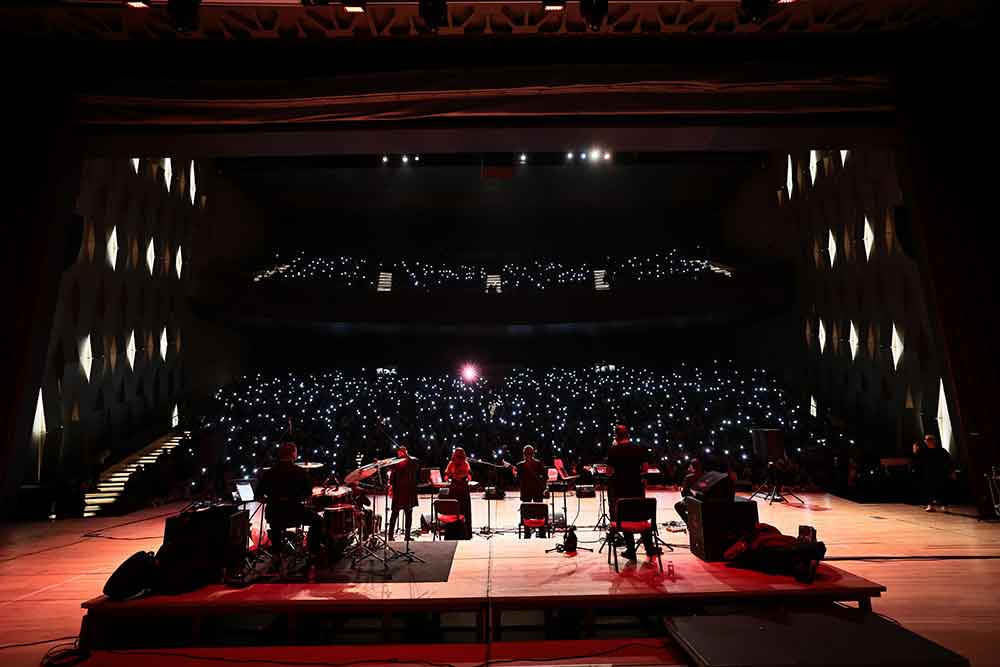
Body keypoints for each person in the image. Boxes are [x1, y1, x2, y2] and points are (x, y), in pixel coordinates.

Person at [257, 442, 324, 556]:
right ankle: (313, 552)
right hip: (295, 513)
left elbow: (258, 496)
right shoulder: (300, 472)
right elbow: (308, 494)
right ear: (294, 454)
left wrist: (273, 500)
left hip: (274, 514)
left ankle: (277, 555)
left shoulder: (269, 473)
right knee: (318, 521)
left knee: (275, 524)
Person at [606, 425, 660, 560]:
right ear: (628, 435)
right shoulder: (638, 448)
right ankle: (649, 548)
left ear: (617, 437)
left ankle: (631, 551)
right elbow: (646, 469)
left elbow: (609, 471)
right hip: (637, 487)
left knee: (625, 517)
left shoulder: (613, 450)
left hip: (621, 489)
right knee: (641, 516)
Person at [511, 445, 548, 537]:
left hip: (526, 491)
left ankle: (527, 533)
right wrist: (544, 487)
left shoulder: (520, 465)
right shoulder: (539, 463)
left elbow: (516, 481)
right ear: (533, 453)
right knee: (539, 512)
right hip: (537, 490)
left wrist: (514, 474)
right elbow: (545, 477)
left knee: (526, 513)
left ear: (524, 454)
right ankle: (542, 532)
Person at [913, 434, 955, 512]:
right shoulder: (923, 451)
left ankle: (944, 506)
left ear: (933, 441)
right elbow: (917, 461)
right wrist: (915, 451)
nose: (926, 441)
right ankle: (930, 505)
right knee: (929, 489)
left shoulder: (941, 450)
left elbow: (949, 461)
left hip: (940, 473)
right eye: (926, 440)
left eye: (928, 440)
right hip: (929, 473)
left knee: (942, 489)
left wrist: (952, 472)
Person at [388, 445, 420, 541]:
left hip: (409, 492)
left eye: (402, 452)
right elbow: (392, 477)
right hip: (398, 492)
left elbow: (416, 463)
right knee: (394, 514)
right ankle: (390, 535)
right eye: (399, 452)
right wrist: (391, 488)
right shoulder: (395, 463)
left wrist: (407, 456)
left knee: (408, 514)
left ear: (406, 452)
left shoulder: (412, 461)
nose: (400, 453)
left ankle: (407, 536)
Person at [444, 447, 474, 539]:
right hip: (454, 489)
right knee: (453, 511)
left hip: (463, 489)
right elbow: (446, 476)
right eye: (457, 453)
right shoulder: (451, 463)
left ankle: (466, 534)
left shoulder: (466, 463)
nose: (458, 455)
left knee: (465, 510)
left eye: (460, 453)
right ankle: (453, 534)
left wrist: (466, 477)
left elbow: (469, 476)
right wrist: (449, 477)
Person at [674, 457, 705, 525]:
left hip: (693, 502)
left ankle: (689, 523)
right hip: (704, 501)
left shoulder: (689, 477)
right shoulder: (706, 475)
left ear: (692, 466)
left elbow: (684, 493)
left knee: (678, 506)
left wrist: (681, 490)